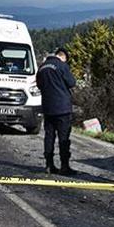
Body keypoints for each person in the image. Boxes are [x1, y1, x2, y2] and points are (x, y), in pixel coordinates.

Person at [35, 47, 77, 175]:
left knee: (49, 136)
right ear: (63, 56)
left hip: (48, 107)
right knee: (63, 138)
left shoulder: (42, 67)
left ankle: (49, 164)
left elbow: (38, 85)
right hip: (62, 108)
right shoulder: (62, 66)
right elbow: (72, 82)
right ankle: (64, 166)